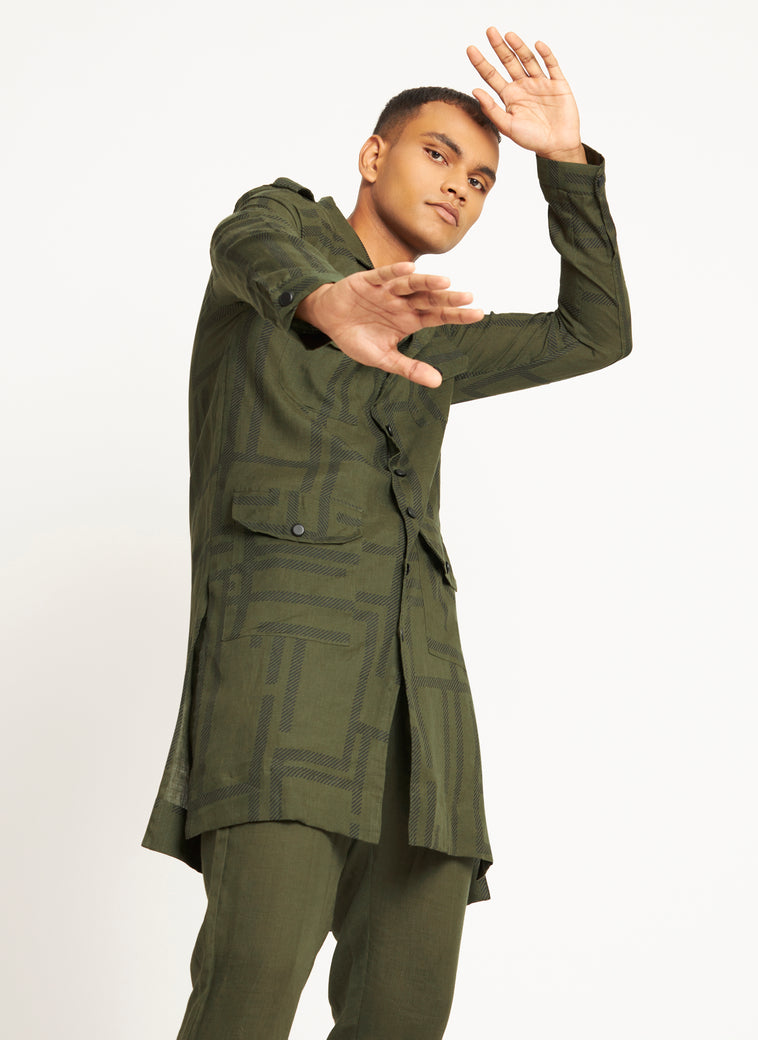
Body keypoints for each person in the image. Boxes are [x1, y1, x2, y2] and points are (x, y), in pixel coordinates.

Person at [143, 27, 632, 1040]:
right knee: (245, 1001)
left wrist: (565, 164)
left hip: (425, 713)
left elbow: (596, 331)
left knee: (403, 1016)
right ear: (374, 155)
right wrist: (326, 302)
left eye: (482, 179)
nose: (460, 185)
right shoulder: (283, 230)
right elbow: (246, 242)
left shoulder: (431, 334)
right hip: (282, 697)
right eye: (437, 153)